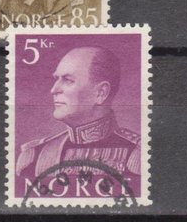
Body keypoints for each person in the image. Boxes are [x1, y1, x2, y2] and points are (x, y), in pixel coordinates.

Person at [16, 46, 141, 183]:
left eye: (68, 80)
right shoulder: (35, 156)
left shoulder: (138, 154)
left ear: (101, 93)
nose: (54, 89)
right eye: (56, 79)